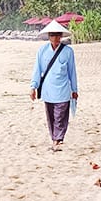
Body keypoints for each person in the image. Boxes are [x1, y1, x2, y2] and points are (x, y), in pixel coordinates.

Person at [30, 20, 79, 151]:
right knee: (51, 116)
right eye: (52, 35)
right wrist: (33, 87)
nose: (55, 38)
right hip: (47, 90)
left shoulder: (68, 52)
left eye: (58, 35)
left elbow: (72, 72)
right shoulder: (42, 51)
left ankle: (58, 139)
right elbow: (37, 69)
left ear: (61, 36)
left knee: (60, 115)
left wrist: (74, 90)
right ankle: (54, 138)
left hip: (63, 89)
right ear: (48, 36)